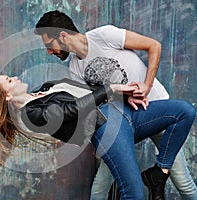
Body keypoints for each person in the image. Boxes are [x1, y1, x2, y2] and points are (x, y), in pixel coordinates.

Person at [34, 10, 197, 200]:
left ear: (62, 35)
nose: (49, 51)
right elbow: (97, 104)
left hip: (158, 111)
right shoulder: (75, 70)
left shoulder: (104, 36)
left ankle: (158, 174)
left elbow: (154, 46)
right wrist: (127, 98)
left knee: (185, 185)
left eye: (49, 45)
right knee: (99, 190)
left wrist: (146, 86)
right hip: (125, 123)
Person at [0, 74, 195, 200]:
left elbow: (86, 89)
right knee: (133, 193)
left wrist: (123, 96)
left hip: (124, 112)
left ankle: (159, 172)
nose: (14, 77)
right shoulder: (31, 114)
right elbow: (72, 109)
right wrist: (110, 90)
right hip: (107, 128)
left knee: (184, 111)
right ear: (6, 96)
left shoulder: (45, 87)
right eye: (9, 80)